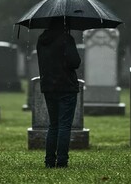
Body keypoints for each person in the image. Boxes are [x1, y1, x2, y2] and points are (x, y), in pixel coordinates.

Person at [36, 24, 81, 168]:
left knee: (53, 125)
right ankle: (62, 160)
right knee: (64, 125)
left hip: (49, 86)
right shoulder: (66, 39)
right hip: (66, 86)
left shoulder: (41, 40)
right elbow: (75, 62)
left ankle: (49, 160)